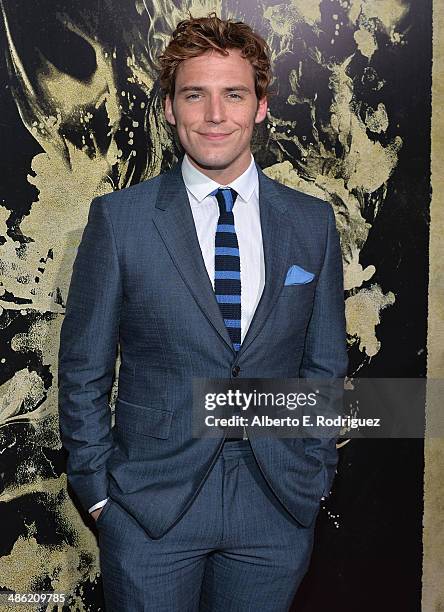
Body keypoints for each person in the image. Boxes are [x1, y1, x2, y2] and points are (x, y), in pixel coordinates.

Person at [58, 12, 347, 612]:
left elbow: (324, 365)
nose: (215, 115)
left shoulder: (311, 222)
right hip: (149, 506)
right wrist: (98, 492)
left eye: (233, 94)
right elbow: (83, 367)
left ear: (261, 106)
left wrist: (313, 475)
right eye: (196, 94)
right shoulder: (120, 220)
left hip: (276, 503)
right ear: (169, 108)